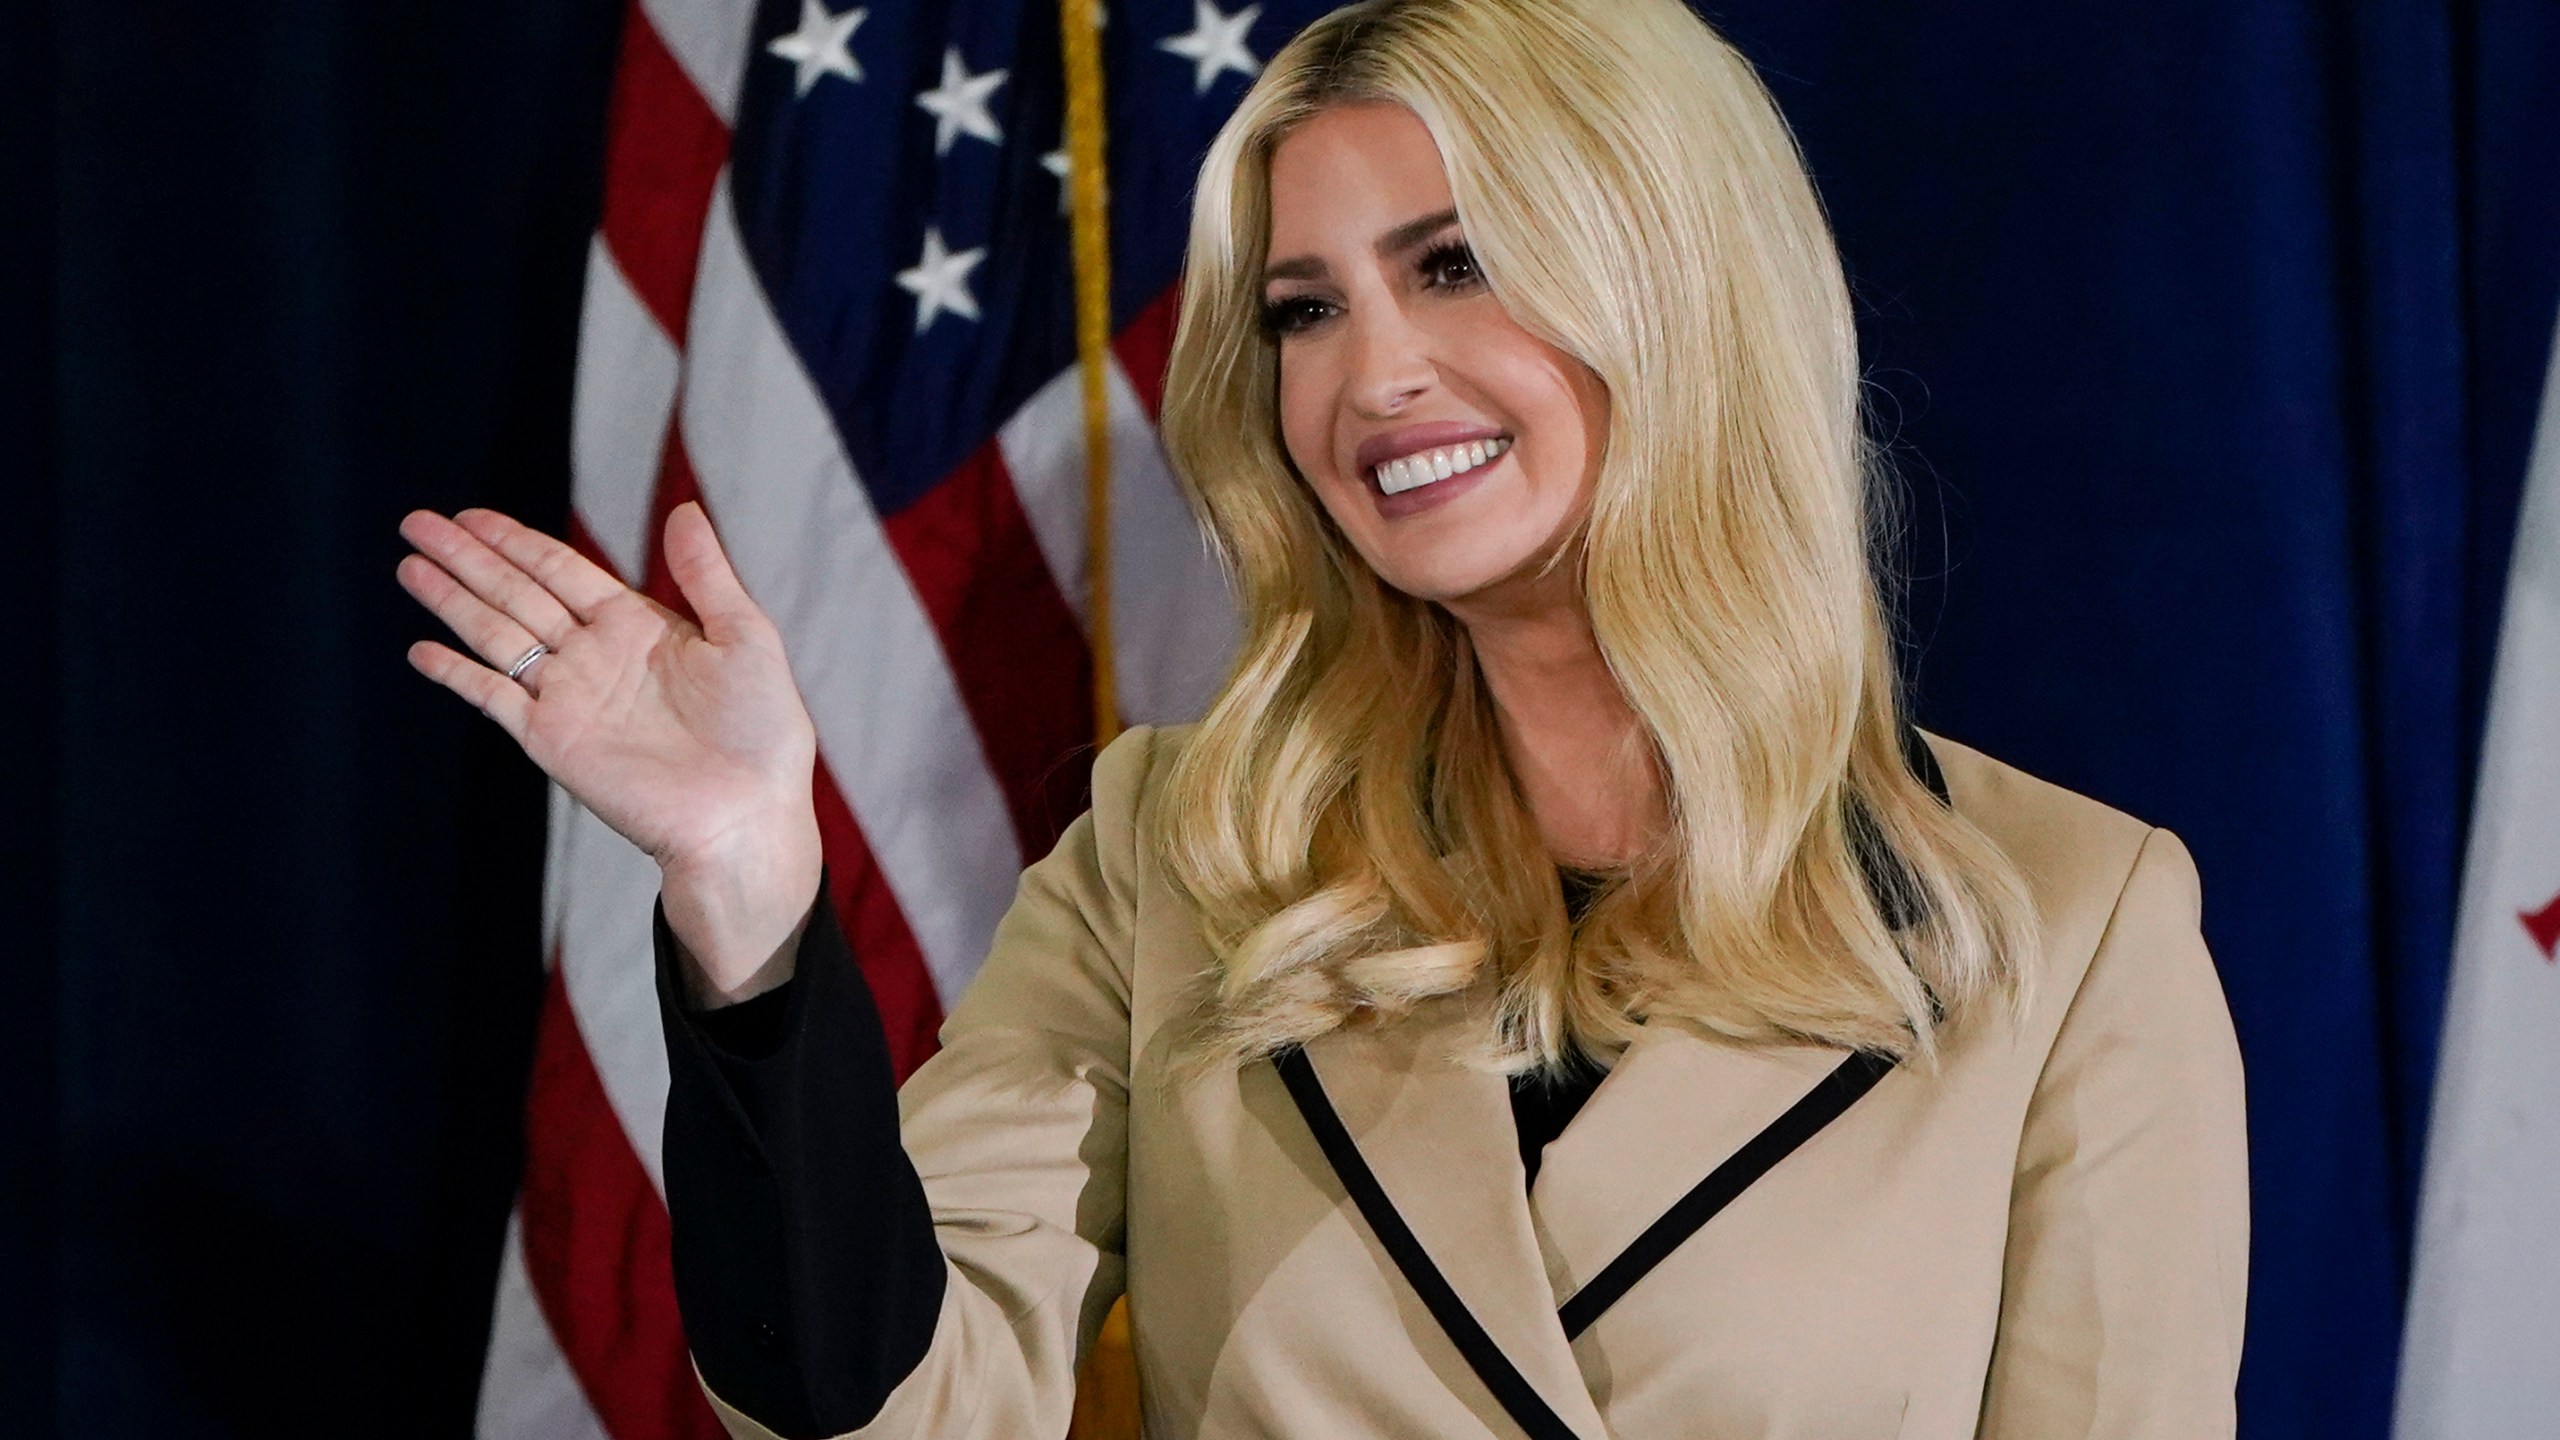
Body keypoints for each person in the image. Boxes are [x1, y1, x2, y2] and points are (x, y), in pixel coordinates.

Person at [396, 0, 2250, 1434]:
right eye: (1302, 309)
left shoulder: (2065, 921)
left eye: (1451, 265)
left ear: (1677, 284)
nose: (1370, 375)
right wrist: (749, 903)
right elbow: (886, 1407)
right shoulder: (1178, 859)